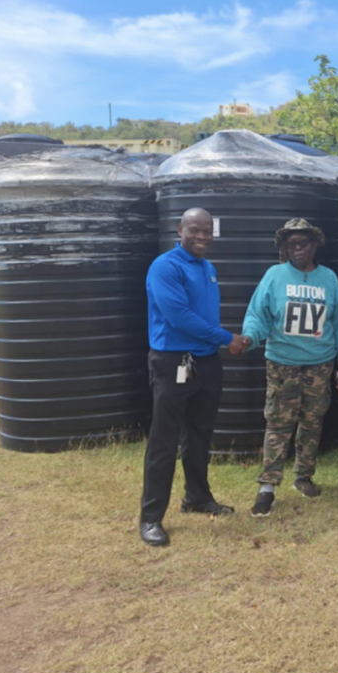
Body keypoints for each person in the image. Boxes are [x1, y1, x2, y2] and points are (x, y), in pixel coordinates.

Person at [140, 208, 250, 547]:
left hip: (206, 361)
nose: (201, 236)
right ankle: (151, 517)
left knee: (200, 433)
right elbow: (179, 317)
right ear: (180, 230)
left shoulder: (207, 267)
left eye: (207, 231)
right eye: (194, 230)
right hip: (174, 361)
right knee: (164, 439)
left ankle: (197, 497)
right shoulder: (165, 267)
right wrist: (227, 338)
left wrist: (220, 342)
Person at [241, 218, 338, 518]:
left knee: (312, 421)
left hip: (320, 364)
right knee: (278, 423)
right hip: (282, 364)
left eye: (304, 242)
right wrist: (249, 338)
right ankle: (267, 487)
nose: (298, 248)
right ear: (285, 249)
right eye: (292, 244)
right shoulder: (274, 276)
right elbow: (258, 315)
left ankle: (303, 476)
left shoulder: (328, 279)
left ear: (314, 245)